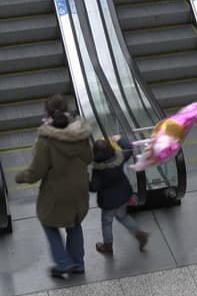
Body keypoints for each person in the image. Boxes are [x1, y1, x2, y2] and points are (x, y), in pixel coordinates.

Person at [14, 95, 93, 278]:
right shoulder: (81, 134)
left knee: (48, 222)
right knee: (74, 223)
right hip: (80, 187)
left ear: (47, 114)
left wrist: (20, 177)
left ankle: (63, 262)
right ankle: (78, 263)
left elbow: (37, 172)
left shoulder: (47, 140)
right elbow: (89, 158)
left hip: (56, 190)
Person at [90, 137, 149, 254]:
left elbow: (94, 187)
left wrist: (85, 181)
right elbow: (128, 147)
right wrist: (119, 139)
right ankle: (140, 234)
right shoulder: (119, 159)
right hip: (123, 196)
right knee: (122, 216)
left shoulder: (98, 170)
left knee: (107, 222)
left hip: (108, 203)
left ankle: (108, 246)